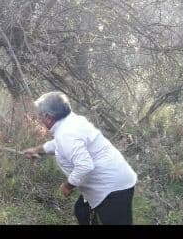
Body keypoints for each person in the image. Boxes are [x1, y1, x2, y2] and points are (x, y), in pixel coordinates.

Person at [23, 91, 137, 225]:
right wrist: (37, 150)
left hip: (113, 188)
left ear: (48, 117)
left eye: (40, 117)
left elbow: (84, 165)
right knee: (82, 211)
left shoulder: (66, 133)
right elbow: (59, 144)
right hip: (111, 182)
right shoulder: (71, 122)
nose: (40, 120)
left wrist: (67, 186)